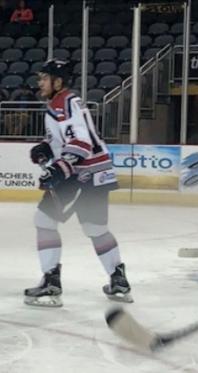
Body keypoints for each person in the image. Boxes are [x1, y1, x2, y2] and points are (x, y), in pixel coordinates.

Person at [25, 59, 132, 307]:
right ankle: (119, 282)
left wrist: (59, 169)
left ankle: (51, 284)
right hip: (98, 173)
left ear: (58, 81)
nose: (39, 82)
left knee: (44, 220)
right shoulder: (68, 101)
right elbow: (70, 139)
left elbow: (81, 143)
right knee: (95, 228)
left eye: (44, 77)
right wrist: (46, 148)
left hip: (79, 175)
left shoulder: (63, 103)